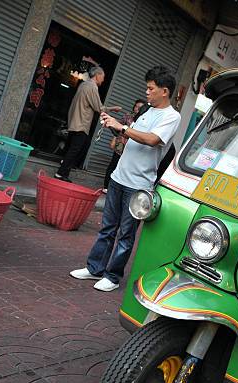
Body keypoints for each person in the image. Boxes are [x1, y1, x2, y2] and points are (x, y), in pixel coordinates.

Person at [69, 65, 181, 292]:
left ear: (165, 91)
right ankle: (94, 269)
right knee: (107, 227)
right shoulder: (147, 111)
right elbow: (129, 136)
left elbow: (152, 140)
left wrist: (122, 127)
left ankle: (112, 276)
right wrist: (113, 125)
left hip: (139, 185)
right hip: (119, 177)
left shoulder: (172, 116)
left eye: (151, 88)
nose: (147, 92)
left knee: (126, 235)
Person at [55, 66, 121, 182]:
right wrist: (113, 108)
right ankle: (61, 173)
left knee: (78, 146)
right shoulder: (92, 87)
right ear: (98, 75)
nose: (103, 80)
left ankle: (65, 164)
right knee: (77, 148)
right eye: (103, 77)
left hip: (74, 122)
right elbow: (99, 107)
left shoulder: (84, 84)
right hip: (81, 124)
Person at [103, 99, 146, 191]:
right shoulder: (128, 116)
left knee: (125, 167)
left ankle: (119, 188)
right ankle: (106, 186)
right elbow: (117, 126)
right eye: (136, 106)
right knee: (113, 164)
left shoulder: (144, 120)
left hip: (133, 147)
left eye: (140, 107)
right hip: (122, 144)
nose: (137, 109)